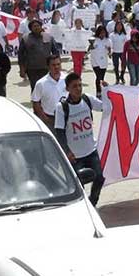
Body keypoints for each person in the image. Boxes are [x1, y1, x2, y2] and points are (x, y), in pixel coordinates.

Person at [55, 73, 105, 206]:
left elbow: (105, 107)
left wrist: (107, 91)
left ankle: (92, 203)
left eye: (80, 85)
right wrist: (67, 151)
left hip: (91, 151)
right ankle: (82, 207)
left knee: (100, 178)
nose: (78, 88)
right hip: (75, 157)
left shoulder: (87, 99)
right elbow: (59, 132)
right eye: (74, 86)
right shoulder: (62, 107)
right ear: (67, 89)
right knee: (78, 186)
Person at [18, 19, 60, 91]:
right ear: (31, 28)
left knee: (47, 86)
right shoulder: (26, 39)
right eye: (34, 26)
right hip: (32, 69)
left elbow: (55, 52)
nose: (36, 27)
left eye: (38, 26)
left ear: (41, 27)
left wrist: (58, 65)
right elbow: (21, 55)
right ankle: (36, 101)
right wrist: (22, 69)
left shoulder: (48, 37)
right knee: (35, 87)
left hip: (46, 68)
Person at [31, 55, 67, 131]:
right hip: (50, 119)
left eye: (58, 64)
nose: (56, 67)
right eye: (53, 65)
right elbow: (35, 102)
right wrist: (44, 118)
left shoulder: (67, 79)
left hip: (67, 116)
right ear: (48, 67)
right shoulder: (41, 83)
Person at [91, 25, 112, 98]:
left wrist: (109, 52)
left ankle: (101, 90)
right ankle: (98, 91)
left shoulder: (108, 40)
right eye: (101, 32)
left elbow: (110, 52)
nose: (102, 34)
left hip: (103, 62)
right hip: (95, 61)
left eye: (104, 32)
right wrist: (91, 47)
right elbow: (88, 49)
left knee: (101, 78)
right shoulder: (94, 40)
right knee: (98, 77)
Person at [110, 20, 129, 84]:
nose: (119, 27)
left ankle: (122, 76)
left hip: (122, 52)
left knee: (124, 65)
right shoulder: (112, 35)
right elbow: (110, 44)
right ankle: (117, 78)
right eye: (118, 26)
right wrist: (110, 52)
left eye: (120, 26)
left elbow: (126, 44)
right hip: (115, 52)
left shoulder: (124, 35)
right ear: (115, 26)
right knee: (116, 66)